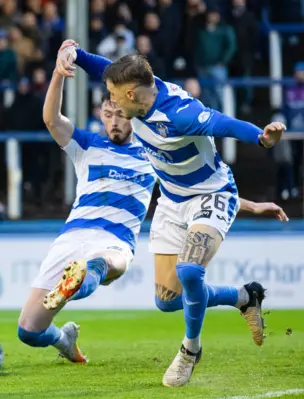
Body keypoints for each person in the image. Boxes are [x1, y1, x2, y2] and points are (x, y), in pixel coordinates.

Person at [17, 66, 288, 364]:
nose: (115, 121)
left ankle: (81, 278)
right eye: (108, 116)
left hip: (116, 241)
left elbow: (195, 189)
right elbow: (51, 119)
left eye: (120, 114)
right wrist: (58, 73)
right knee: (29, 331)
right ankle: (64, 338)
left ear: (132, 113)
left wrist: (252, 205)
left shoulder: (151, 152)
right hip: (72, 236)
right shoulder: (87, 146)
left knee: (104, 264)